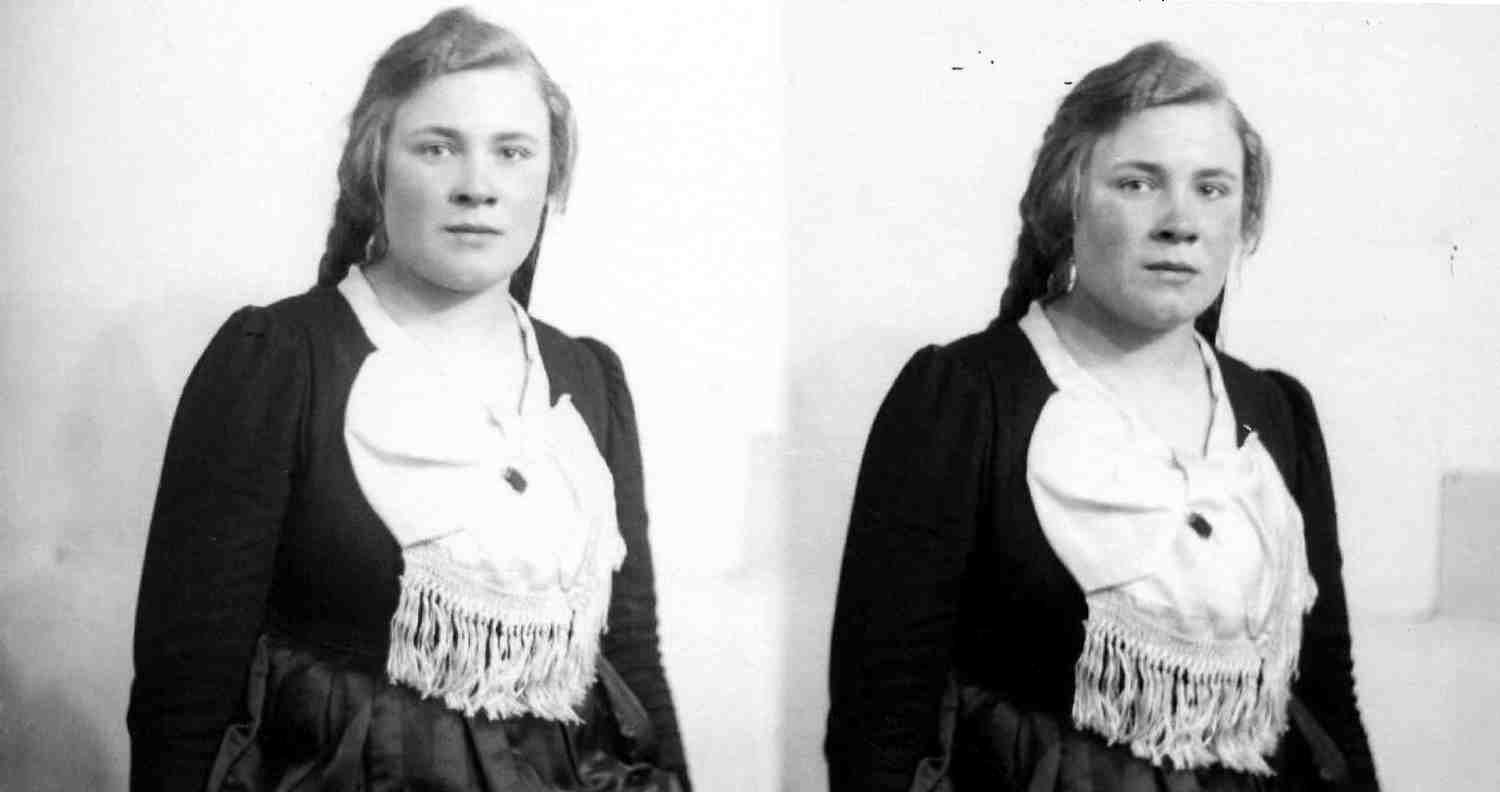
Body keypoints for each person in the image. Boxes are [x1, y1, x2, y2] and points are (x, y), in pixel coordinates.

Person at [127, 8, 688, 791]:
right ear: (374, 169)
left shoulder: (588, 379)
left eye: (513, 152)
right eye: (437, 147)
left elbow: (631, 657)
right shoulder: (280, 361)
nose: (477, 187)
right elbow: (185, 692)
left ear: (549, 179)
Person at [825, 42, 1378, 791]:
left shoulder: (1276, 414)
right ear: (1067, 201)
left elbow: (1329, 706)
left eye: (1212, 189)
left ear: (1243, 216)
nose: (1180, 222)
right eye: (1138, 183)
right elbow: (881, 731)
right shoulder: (964, 399)